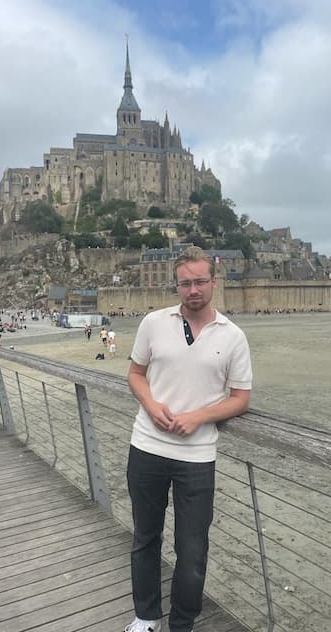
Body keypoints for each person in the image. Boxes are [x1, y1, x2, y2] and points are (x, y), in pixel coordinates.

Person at [125, 247, 252, 632]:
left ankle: (182, 624)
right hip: (146, 446)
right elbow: (135, 374)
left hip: (197, 456)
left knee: (192, 550)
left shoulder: (233, 336)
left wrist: (199, 416)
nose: (193, 289)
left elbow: (241, 398)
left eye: (200, 281)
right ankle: (146, 617)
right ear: (176, 285)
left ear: (213, 283)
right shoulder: (153, 322)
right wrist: (150, 404)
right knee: (145, 538)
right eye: (185, 282)